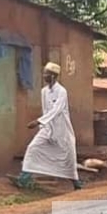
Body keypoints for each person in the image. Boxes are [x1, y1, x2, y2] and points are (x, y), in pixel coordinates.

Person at [14, 62, 83, 190]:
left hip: (62, 130)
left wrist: (38, 121)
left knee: (68, 157)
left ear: (53, 76)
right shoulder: (44, 91)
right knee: (33, 148)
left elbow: (57, 110)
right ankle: (25, 177)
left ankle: (76, 182)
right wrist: (42, 126)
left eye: (47, 74)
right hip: (47, 128)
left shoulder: (62, 91)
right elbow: (46, 110)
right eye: (44, 73)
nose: (44, 76)